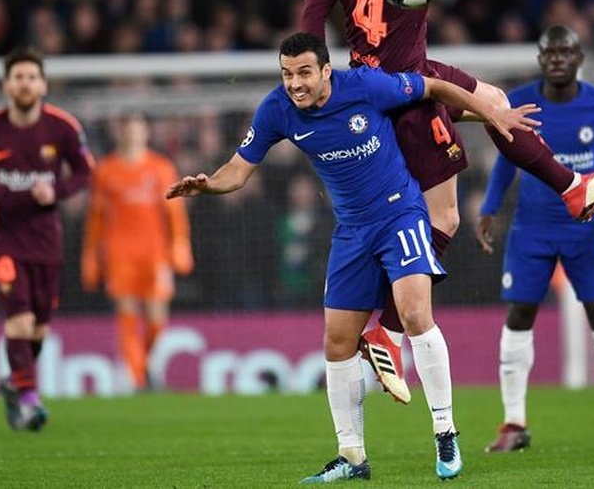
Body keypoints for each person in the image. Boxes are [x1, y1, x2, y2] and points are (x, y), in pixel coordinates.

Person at [300, 0, 594, 404]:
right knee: (444, 217)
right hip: (410, 86)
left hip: (366, 85)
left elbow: (311, 17)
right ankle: (389, 330)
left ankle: (570, 187)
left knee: (495, 103)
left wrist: (317, 83)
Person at [166, 32, 541, 482]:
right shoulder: (276, 110)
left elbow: (433, 86)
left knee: (415, 312)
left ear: (326, 71)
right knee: (337, 342)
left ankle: (445, 432)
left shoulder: (365, 86)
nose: (295, 84)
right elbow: (239, 169)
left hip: (400, 213)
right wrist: (207, 185)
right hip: (352, 231)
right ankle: (352, 456)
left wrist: (492, 113)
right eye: (287, 74)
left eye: (304, 72)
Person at [476, 26, 594, 452]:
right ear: (539, 58)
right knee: (518, 317)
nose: (558, 59)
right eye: (550, 52)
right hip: (531, 230)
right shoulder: (519, 103)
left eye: (566, 51)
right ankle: (514, 423)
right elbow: (507, 160)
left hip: (586, 229)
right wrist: (490, 208)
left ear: (580, 57)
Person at [0, 48, 94, 431]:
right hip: (4, 236)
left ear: (43, 84)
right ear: (6, 85)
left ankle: (15, 381)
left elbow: (85, 171)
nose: (25, 83)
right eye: (18, 77)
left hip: (46, 238)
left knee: (38, 327)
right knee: (18, 318)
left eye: (31, 77)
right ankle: (30, 402)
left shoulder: (63, 128)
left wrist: (57, 193)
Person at [81, 114, 194, 391]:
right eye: (127, 131)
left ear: (145, 133)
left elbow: (175, 213)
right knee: (128, 318)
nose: (132, 135)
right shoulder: (106, 170)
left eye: (137, 130)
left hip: (154, 254)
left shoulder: (160, 168)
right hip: (119, 254)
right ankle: (140, 378)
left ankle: (141, 365)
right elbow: (96, 217)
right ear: (120, 134)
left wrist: (180, 244)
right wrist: (91, 255)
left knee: (157, 319)